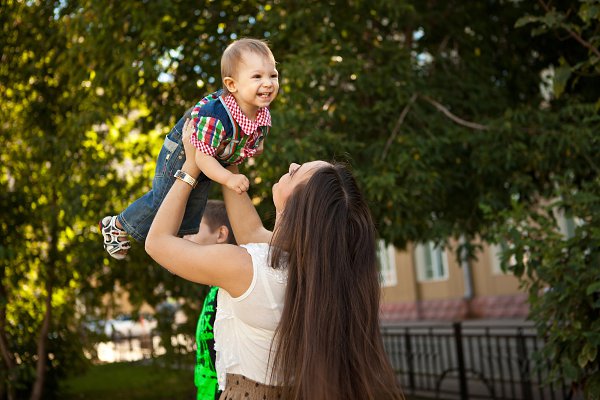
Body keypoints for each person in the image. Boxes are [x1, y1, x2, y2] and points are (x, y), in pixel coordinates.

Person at [145, 120, 404, 399]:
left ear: (298, 206)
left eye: (295, 173)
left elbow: (157, 243)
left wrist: (191, 167)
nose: (291, 165)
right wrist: (230, 160)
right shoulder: (312, 265)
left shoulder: (246, 267)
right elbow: (251, 233)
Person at [100, 37, 279, 259]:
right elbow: (202, 159)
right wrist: (228, 178)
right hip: (184, 149)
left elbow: (258, 131)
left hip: (212, 153)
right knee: (164, 200)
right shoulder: (216, 116)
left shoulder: (259, 109)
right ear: (232, 85)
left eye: (273, 75)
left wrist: (255, 145)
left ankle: (176, 249)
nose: (268, 83)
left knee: (193, 206)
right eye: (257, 77)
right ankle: (116, 224)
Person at [183, 200, 236, 400]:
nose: (184, 237)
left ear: (221, 234)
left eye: (192, 229)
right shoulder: (214, 288)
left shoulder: (231, 289)